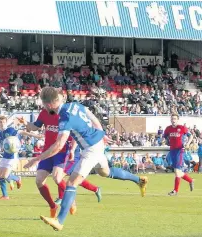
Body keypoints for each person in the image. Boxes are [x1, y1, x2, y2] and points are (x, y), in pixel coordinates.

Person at [24, 87, 148, 231]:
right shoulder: (74, 105)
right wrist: (101, 133)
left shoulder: (65, 117)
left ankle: (59, 220)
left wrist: (37, 159)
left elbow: (58, 145)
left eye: (44, 104)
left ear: (49, 105)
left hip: (91, 149)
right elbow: (93, 118)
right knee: (105, 172)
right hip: (97, 143)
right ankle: (139, 180)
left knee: (71, 182)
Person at [18, 106, 101, 218]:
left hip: (62, 151)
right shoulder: (44, 112)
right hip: (47, 151)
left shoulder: (65, 114)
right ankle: (53, 206)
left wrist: (72, 149)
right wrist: (26, 123)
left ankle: (71, 199)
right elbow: (34, 126)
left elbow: (74, 133)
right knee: (39, 181)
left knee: (57, 178)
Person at [0, 116, 42, 200]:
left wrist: (36, 136)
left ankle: (17, 178)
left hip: (12, 157)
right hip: (4, 157)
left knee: (5, 176)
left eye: (3, 122)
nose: (2, 124)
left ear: (6, 123)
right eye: (0, 122)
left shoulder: (10, 130)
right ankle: (5, 196)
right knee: (0, 176)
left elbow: (23, 132)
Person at [164, 114, 194, 196]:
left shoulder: (182, 128)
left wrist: (187, 143)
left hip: (180, 150)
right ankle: (190, 180)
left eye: (175, 119)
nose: (173, 120)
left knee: (177, 171)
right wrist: (166, 141)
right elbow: (165, 137)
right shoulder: (168, 129)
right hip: (172, 151)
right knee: (178, 171)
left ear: (177, 120)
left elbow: (191, 136)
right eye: (172, 119)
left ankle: (175, 191)